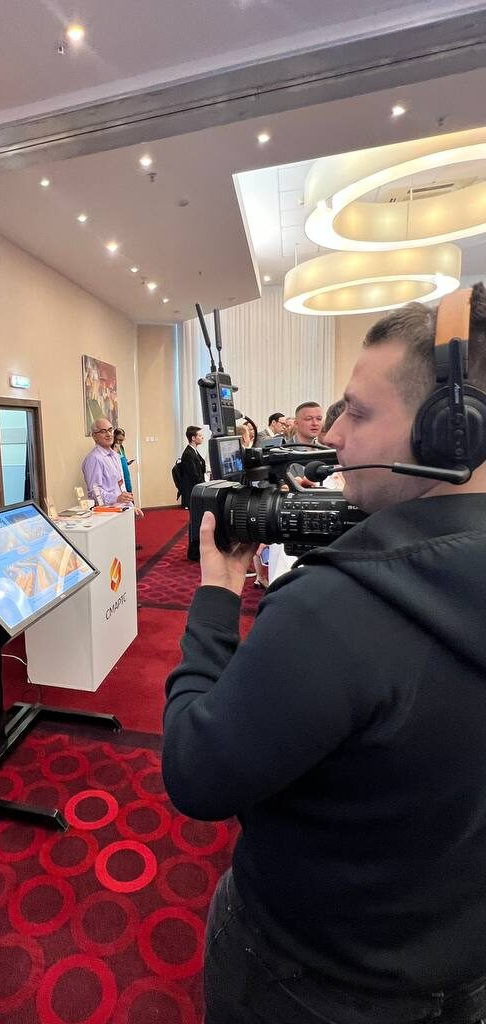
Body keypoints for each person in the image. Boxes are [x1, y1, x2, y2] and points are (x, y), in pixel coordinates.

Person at [162, 291, 486, 1024]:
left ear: (451, 433)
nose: (334, 435)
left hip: (308, 975)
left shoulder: (333, 609)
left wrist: (214, 599)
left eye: (358, 413)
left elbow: (194, 772)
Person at [82, 417, 143, 516]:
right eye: (103, 431)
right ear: (94, 436)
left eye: (110, 430)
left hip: (122, 510)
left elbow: (120, 486)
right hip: (107, 514)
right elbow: (95, 492)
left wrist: (131, 506)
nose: (109, 434)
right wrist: (116, 498)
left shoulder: (115, 455)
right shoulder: (94, 459)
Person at [179, 425, 206, 509]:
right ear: (193, 438)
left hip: (196, 488)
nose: (202, 437)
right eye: (200, 436)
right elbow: (193, 475)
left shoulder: (194, 451)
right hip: (191, 491)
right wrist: (205, 484)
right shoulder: (188, 453)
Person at [112, 426, 133, 493]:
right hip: (118, 476)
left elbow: (122, 459)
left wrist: (127, 463)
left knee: (128, 490)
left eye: (121, 440)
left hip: (125, 473)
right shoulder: (111, 448)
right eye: (117, 439)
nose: (119, 442)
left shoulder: (121, 447)